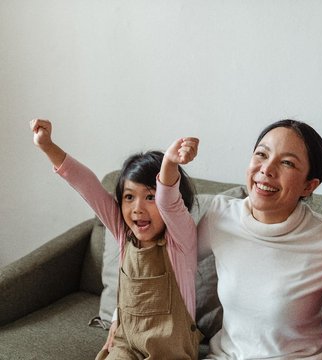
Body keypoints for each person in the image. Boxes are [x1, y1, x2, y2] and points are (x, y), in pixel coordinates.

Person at [30, 118, 202, 359]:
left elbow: (169, 200)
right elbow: (86, 185)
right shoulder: (124, 233)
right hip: (127, 343)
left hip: (171, 350)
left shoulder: (180, 239)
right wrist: (48, 146)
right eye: (129, 197)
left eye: (150, 197)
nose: (137, 208)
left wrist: (170, 163)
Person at [198, 119, 322, 359]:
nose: (267, 169)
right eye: (261, 154)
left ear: (309, 186)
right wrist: (123, 317)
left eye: (287, 163)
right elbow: (168, 264)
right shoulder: (220, 215)